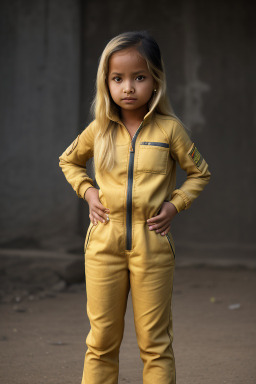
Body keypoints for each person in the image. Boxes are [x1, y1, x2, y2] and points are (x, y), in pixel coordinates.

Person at [59, 30, 211, 384]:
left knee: (155, 344)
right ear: (106, 82)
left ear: (155, 80)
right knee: (100, 343)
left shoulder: (170, 130)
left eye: (138, 77)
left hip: (153, 248)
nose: (128, 87)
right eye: (118, 79)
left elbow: (200, 174)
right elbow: (68, 161)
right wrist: (88, 191)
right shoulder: (98, 130)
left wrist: (175, 205)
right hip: (102, 247)